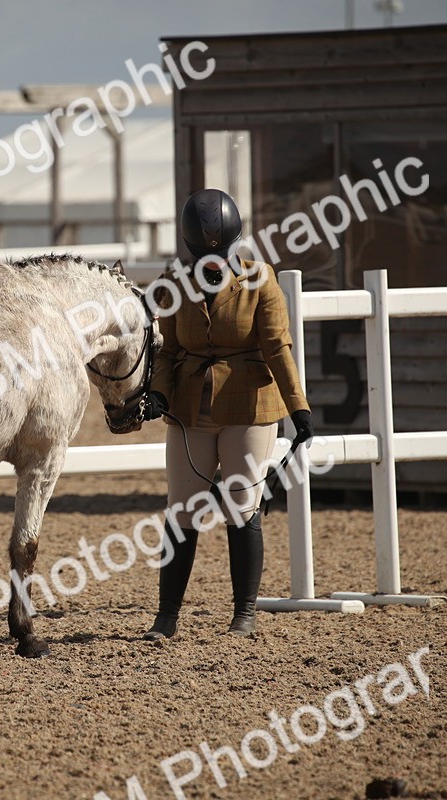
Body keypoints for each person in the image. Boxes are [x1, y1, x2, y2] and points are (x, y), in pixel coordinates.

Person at [140, 188, 313, 639]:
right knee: (182, 508)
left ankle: (245, 612)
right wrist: (158, 394)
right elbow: (169, 351)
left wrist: (299, 408)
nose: (209, 262)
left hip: (249, 407)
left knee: (242, 506)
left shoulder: (261, 279)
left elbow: (278, 346)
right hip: (189, 407)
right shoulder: (173, 283)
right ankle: (166, 616)